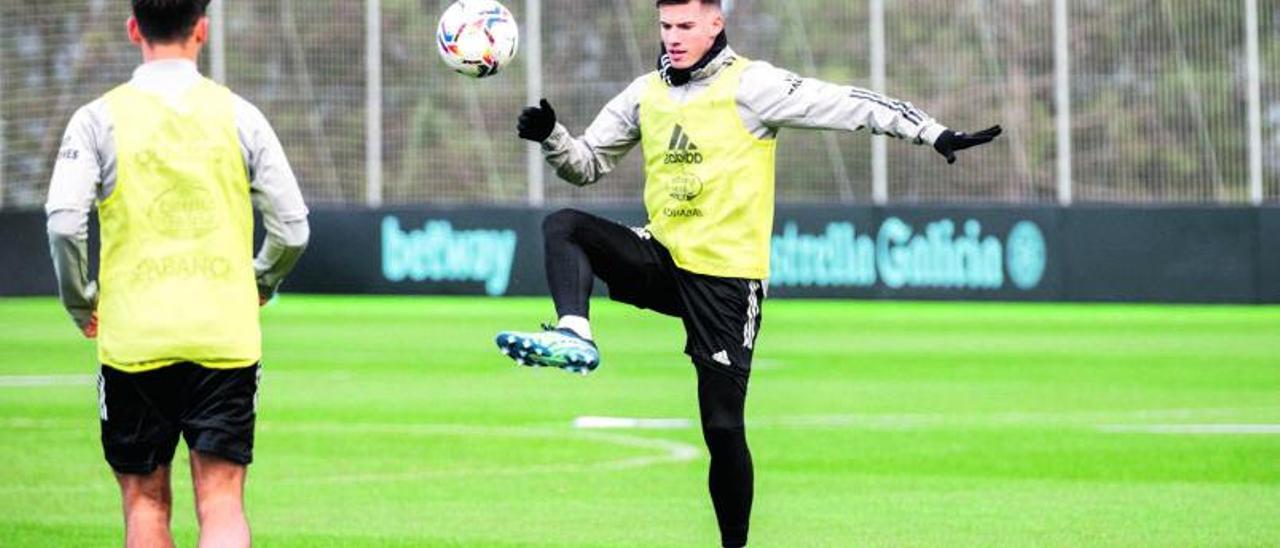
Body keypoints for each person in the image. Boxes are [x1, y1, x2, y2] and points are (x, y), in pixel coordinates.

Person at [495, 0, 1001, 545]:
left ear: (716, 24)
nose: (673, 37)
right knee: (565, 226)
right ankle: (575, 333)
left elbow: (847, 104)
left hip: (727, 281)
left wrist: (932, 132)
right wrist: (552, 136)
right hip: (663, 257)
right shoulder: (645, 93)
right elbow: (587, 164)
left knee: (721, 427)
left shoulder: (753, 86)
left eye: (686, 25)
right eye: (666, 26)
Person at [45, 1, 309, 545]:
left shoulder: (97, 119)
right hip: (224, 337)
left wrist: (80, 300)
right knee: (221, 501)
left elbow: (64, 223)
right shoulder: (240, 115)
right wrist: (260, 282)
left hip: (134, 340)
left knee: (144, 504)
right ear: (202, 30)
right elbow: (293, 228)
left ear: (133, 29)